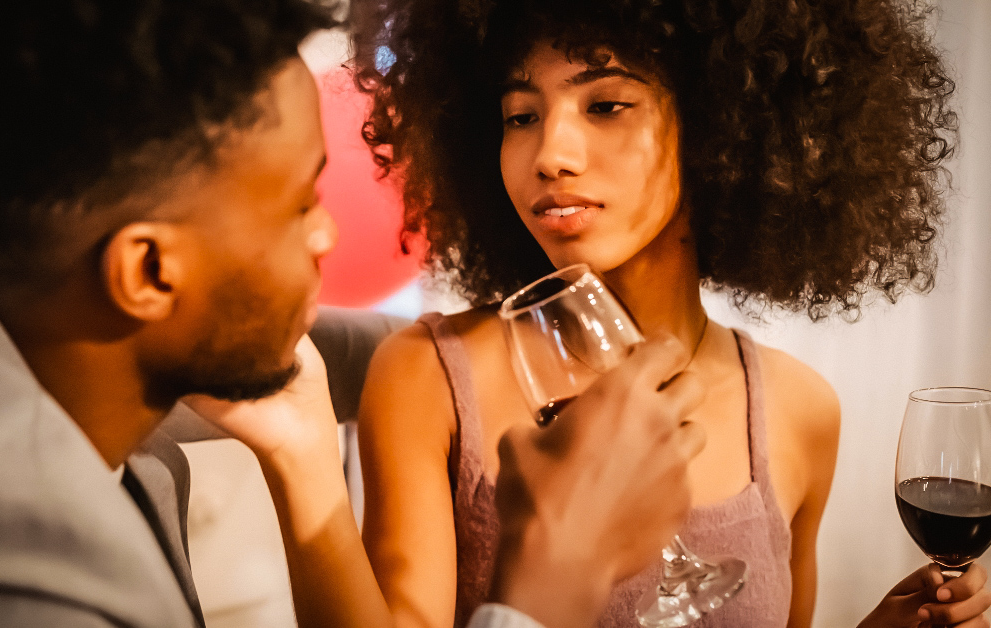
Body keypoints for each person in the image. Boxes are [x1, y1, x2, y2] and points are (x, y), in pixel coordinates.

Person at [0, 1, 704, 627]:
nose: (327, 235)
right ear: (148, 270)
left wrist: (478, 358)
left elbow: (325, 341)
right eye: (298, 205)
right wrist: (549, 578)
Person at [348, 0, 991, 626]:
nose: (549, 155)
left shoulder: (802, 411)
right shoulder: (425, 377)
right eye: (519, 116)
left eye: (605, 105)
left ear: (720, 129)